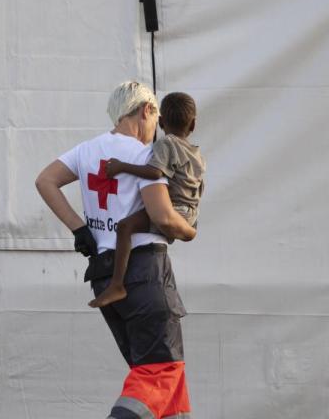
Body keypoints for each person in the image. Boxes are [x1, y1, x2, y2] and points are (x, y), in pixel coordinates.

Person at [35, 80, 197, 419]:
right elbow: (162, 217)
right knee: (160, 371)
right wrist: (188, 231)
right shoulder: (147, 156)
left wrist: (80, 229)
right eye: (155, 119)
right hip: (145, 273)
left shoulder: (86, 150)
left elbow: (45, 180)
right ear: (146, 110)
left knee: (160, 381)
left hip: (106, 276)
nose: (156, 130)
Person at [89, 92, 205, 309]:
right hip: (190, 214)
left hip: (174, 210)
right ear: (193, 125)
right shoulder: (197, 153)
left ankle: (117, 285)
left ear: (160, 122)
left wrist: (121, 166)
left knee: (125, 227)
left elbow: (154, 172)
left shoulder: (165, 144)